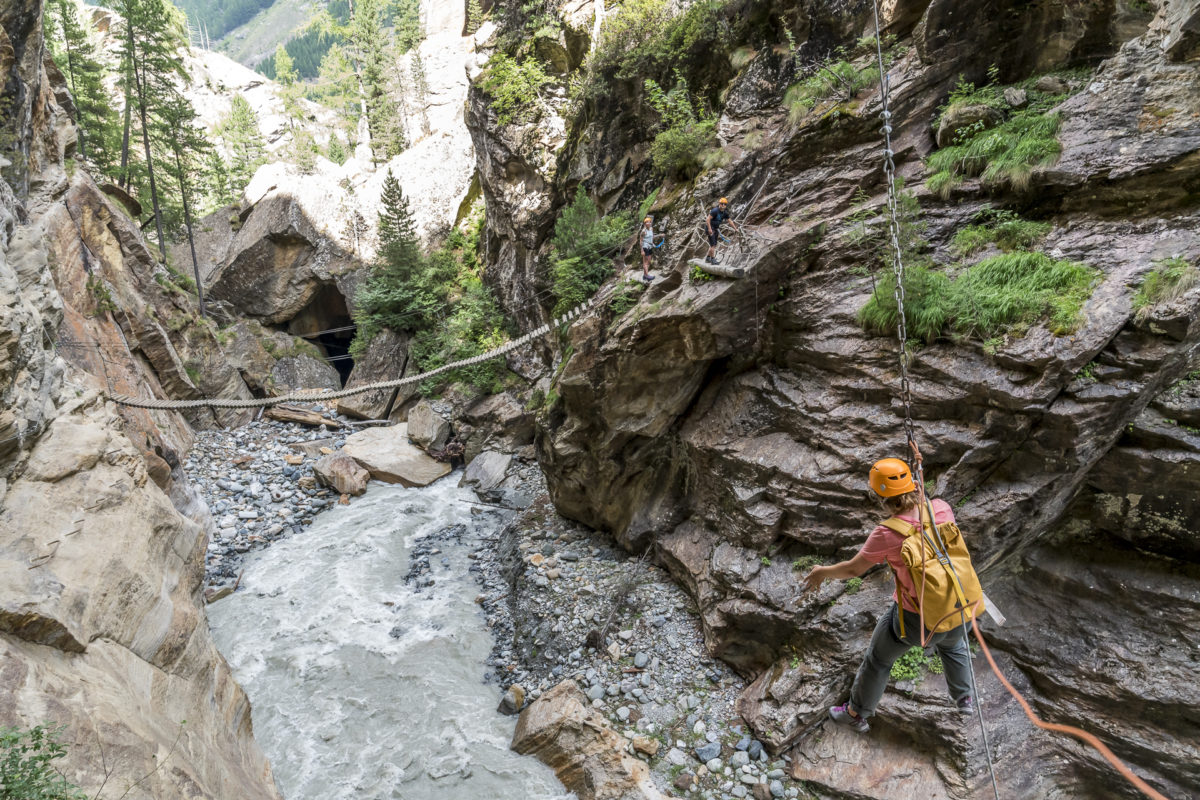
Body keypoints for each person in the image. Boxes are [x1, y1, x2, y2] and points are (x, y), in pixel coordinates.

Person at [801, 458, 975, 733]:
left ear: (881, 499)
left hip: (916, 621)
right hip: (958, 606)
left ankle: (856, 713)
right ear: (915, 485)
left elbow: (853, 568)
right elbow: (923, 513)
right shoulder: (941, 508)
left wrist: (822, 571)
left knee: (879, 659)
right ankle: (964, 698)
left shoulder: (886, 533)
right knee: (954, 645)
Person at [704, 197, 737, 264]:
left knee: (713, 245)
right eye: (722, 204)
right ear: (719, 204)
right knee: (713, 245)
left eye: (724, 204)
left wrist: (735, 228)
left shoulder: (725, 213)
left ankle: (707, 258)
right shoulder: (715, 211)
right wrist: (710, 229)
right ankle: (713, 260)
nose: (723, 205)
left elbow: (730, 221)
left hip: (715, 228)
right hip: (710, 228)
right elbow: (708, 219)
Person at [640, 216, 659, 283]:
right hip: (645, 247)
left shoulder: (651, 229)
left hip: (650, 246)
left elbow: (652, 237)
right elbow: (641, 241)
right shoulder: (643, 231)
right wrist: (642, 250)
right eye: (647, 222)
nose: (648, 223)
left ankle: (645, 275)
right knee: (645, 262)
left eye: (649, 222)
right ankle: (647, 275)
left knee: (649, 261)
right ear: (645, 224)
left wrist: (660, 235)